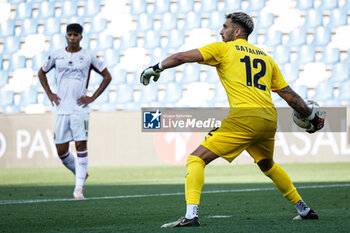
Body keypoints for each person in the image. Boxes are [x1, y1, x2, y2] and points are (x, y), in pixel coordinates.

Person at [140, 12, 325, 227]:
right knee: (268, 165)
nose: (221, 31)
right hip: (268, 119)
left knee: (196, 159)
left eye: (225, 27)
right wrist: (311, 116)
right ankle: (304, 210)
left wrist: (155, 68)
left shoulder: (224, 49)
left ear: (237, 31)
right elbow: (289, 94)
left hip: (244, 118)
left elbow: (181, 57)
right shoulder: (266, 58)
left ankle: (190, 216)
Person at [38, 23, 112, 199]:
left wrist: (91, 98)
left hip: (80, 109)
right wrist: (49, 93)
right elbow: (41, 73)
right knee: (61, 150)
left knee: (80, 145)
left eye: (75, 35)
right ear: (66, 36)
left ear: (81, 37)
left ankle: (78, 188)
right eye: (70, 34)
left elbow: (107, 76)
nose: (72, 37)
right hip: (61, 109)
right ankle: (81, 172)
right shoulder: (57, 55)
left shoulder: (88, 56)